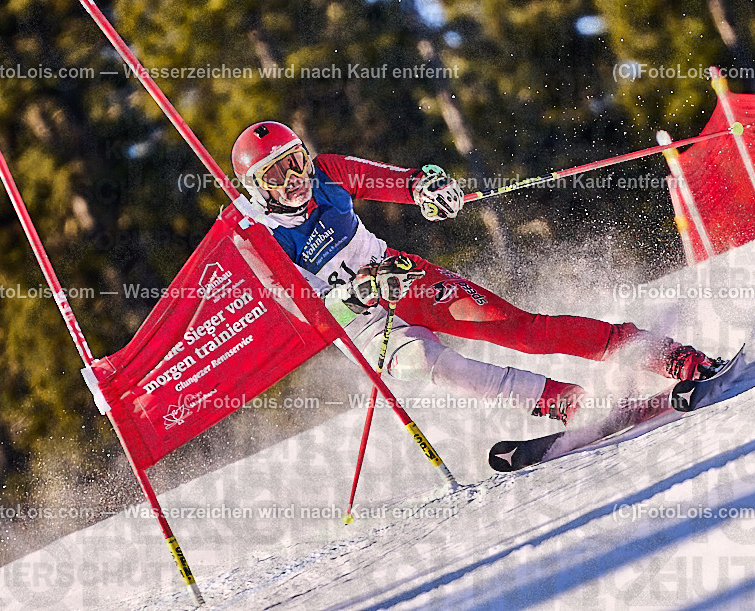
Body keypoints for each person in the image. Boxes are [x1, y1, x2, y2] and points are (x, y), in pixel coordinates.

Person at [231, 121, 724, 424]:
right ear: (254, 186)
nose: (295, 180)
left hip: (401, 277)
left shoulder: (329, 172)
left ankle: (668, 356)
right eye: (275, 175)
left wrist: (428, 189)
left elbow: (400, 181)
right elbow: (303, 313)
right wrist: (355, 295)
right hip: (362, 329)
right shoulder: (258, 236)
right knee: (430, 363)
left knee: (521, 329)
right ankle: (563, 401)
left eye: (294, 162)